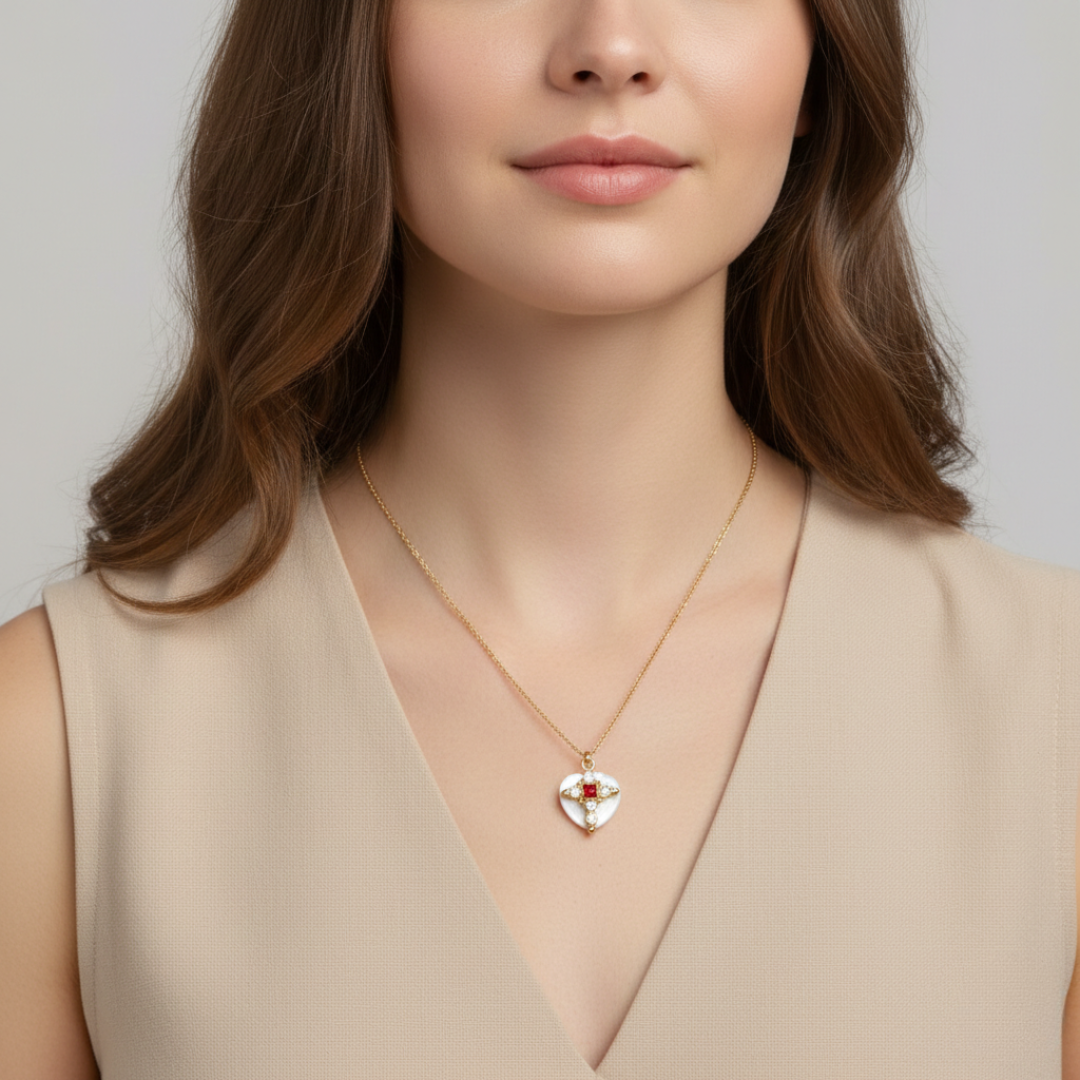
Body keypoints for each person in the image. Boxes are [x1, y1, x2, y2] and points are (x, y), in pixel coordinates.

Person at [1, 0, 1078, 1074]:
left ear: (821, 62)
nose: (610, 49)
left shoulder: (1053, 710)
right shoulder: (53, 743)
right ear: (347, 38)